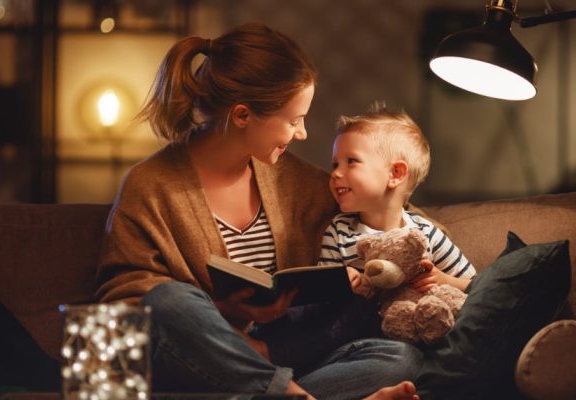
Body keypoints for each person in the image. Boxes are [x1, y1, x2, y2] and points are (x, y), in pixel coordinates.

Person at [95, 23, 420, 400]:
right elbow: (124, 304)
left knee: (401, 358)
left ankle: (270, 389)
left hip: (286, 352)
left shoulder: (297, 182)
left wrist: (425, 258)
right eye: (293, 119)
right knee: (168, 302)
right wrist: (220, 308)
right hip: (205, 359)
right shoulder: (150, 185)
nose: (302, 134)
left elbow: (390, 212)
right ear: (243, 116)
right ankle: (283, 392)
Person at [319, 102, 476, 293]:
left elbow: (476, 285)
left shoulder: (426, 233)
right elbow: (321, 293)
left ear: (396, 173)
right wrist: (343, 282)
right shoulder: (339, 232)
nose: (335, 174)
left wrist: (444, 280)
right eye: (335, 164)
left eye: (351, 161)